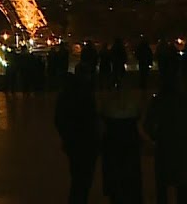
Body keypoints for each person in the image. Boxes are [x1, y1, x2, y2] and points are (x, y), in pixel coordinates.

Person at [144, 74, 187, 204]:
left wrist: (155, 136)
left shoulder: (158, 100)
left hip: (164, 144)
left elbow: (147, 124)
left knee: (162, 185)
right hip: (181, 143)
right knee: (182, 186)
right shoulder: (185, 100)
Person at [54, 70, 98, 204]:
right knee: (85, 177)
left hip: (73, 143)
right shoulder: (86, 96)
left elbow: (59, 120)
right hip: (88, 142)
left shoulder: (65, 98)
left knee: (77, 175)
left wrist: (66, 136)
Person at [99, 81, 143, 203]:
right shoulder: (133, 104)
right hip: (130, 145)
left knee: (116, 179)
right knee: (131, 178)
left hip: (113, 145)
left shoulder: (108, 105)